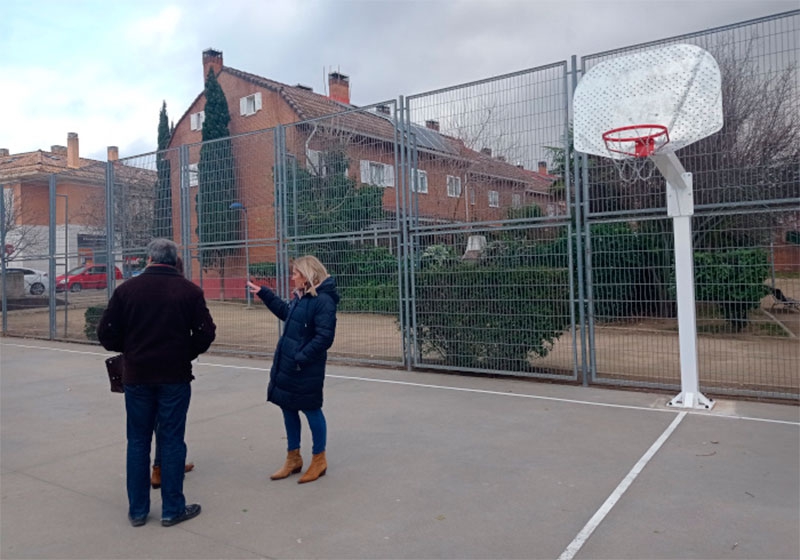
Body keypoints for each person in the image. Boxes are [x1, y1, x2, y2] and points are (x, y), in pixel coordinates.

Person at [98, 239, 216, 527]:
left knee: (138, 440)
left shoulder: (127, 290)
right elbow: (206, 333)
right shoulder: (189, 291)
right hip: (174, 376)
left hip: (137, 375)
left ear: (149, 259)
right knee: (171, 439)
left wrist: (131, 348)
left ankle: (138, 510)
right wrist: (184, 352)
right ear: (174, 261)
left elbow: (105, 333)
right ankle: (172, 508)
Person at [247, 255, 339, 484]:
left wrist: (301, 357)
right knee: (288, 407)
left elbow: (325, 337)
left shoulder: (323, 300)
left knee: (311, 410)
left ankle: (319, 460)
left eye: (296, 273)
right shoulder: (302, 297)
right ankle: (293, 458)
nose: (292, 277)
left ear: (308, 275)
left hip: (305, 367)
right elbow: (288, 313)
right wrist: (265, 294)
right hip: (289, 365)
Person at [150, 254, 194, 490]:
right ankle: (165, 468)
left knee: (156, 424)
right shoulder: (184, 291)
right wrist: (188, 352)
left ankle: (161, 467)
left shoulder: (140, 289)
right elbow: (204, 332)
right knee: (172, 423)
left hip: (143, 369)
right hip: (173, 370)